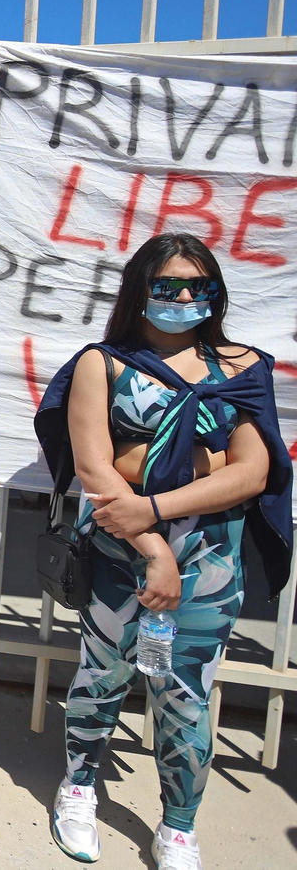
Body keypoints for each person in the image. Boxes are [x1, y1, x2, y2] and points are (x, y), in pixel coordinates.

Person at [33, 232, 292, 869]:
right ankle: (79, 789)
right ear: (139, 291)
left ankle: (178, 826)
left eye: (195, 286)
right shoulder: (103, 363)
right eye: (165, 286)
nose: (181, 297)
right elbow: (98, 469)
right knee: (103, 676)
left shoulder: (241, 368)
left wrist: (153, 507)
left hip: (210, 561)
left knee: (187, 693)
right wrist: (155, 548)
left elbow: (252, 472)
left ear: (214, 293)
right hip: (124, 556)